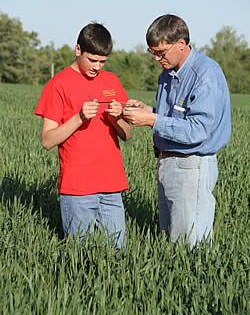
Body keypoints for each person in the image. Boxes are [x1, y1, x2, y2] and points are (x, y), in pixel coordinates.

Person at [123, 14, 231, 248]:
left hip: (191, 165)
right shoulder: (168, 74)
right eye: (153, 53)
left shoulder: (205, 75)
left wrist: (152, 119)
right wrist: (147, 109)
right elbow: (175, 116)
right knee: (170, 243)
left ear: (181, 44)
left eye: (161, 52)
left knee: (188, 245)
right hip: (168, 163)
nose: (157, 59)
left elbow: (198, 129)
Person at [35, 22, 131, 249]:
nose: (97, 67)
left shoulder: (111, 81)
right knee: (81, 255)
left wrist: (117, 119)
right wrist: (78, 118)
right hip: (77, 188)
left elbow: (127, 135)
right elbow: (47, 140)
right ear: (78, 50)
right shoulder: (57, 84)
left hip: (112, 185)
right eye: (92, 60)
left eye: (102, 61)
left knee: (117, 253)